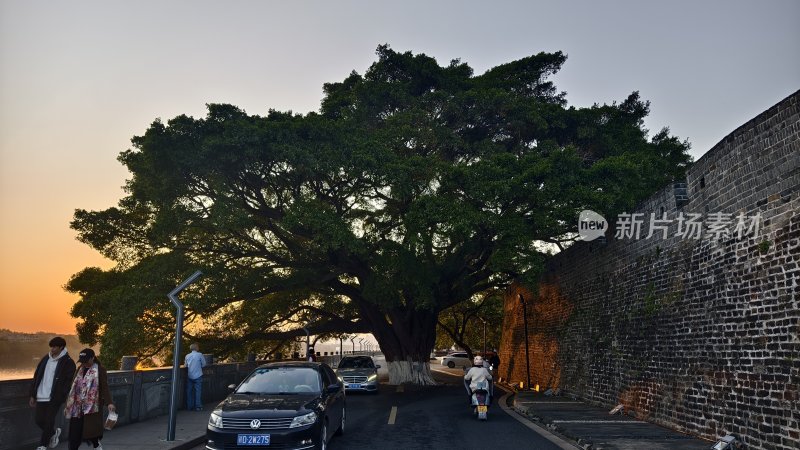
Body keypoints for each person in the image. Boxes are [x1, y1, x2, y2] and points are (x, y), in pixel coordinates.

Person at [30, 336, 76, 450]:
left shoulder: (68, 362)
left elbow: (69, 382)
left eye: (55, 347)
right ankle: (54, 433)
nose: (52, 349)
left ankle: (42, 445)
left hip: (54, 397)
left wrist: (61, 395)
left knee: (49, 421)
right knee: (39, 420)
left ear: (61, 347)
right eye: (51, 347)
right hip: (41, 395)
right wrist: (33, 394)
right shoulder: (46, 358)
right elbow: (36, 376)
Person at [64, 348, 115, 450]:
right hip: (77, 406)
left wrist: (109, 403)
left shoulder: (100, 370)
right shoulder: (79, 369)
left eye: (86, 361)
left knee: (91, 430)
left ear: (92, 358)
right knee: (75, 432)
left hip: (92, 406)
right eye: (82, 361)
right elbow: (73, 388)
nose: (84, 363)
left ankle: (96, 444)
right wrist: (68, 405)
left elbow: (104, 387)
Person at [185, 343, 207, 411]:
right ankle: (198, 406)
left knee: (189, 391)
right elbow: (204, 364)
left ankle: (189, 406)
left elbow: (186, 365)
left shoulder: (187, 356)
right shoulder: (199, 355)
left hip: (190, 375)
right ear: (196, 348)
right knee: (198, 391)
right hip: (198, 375)